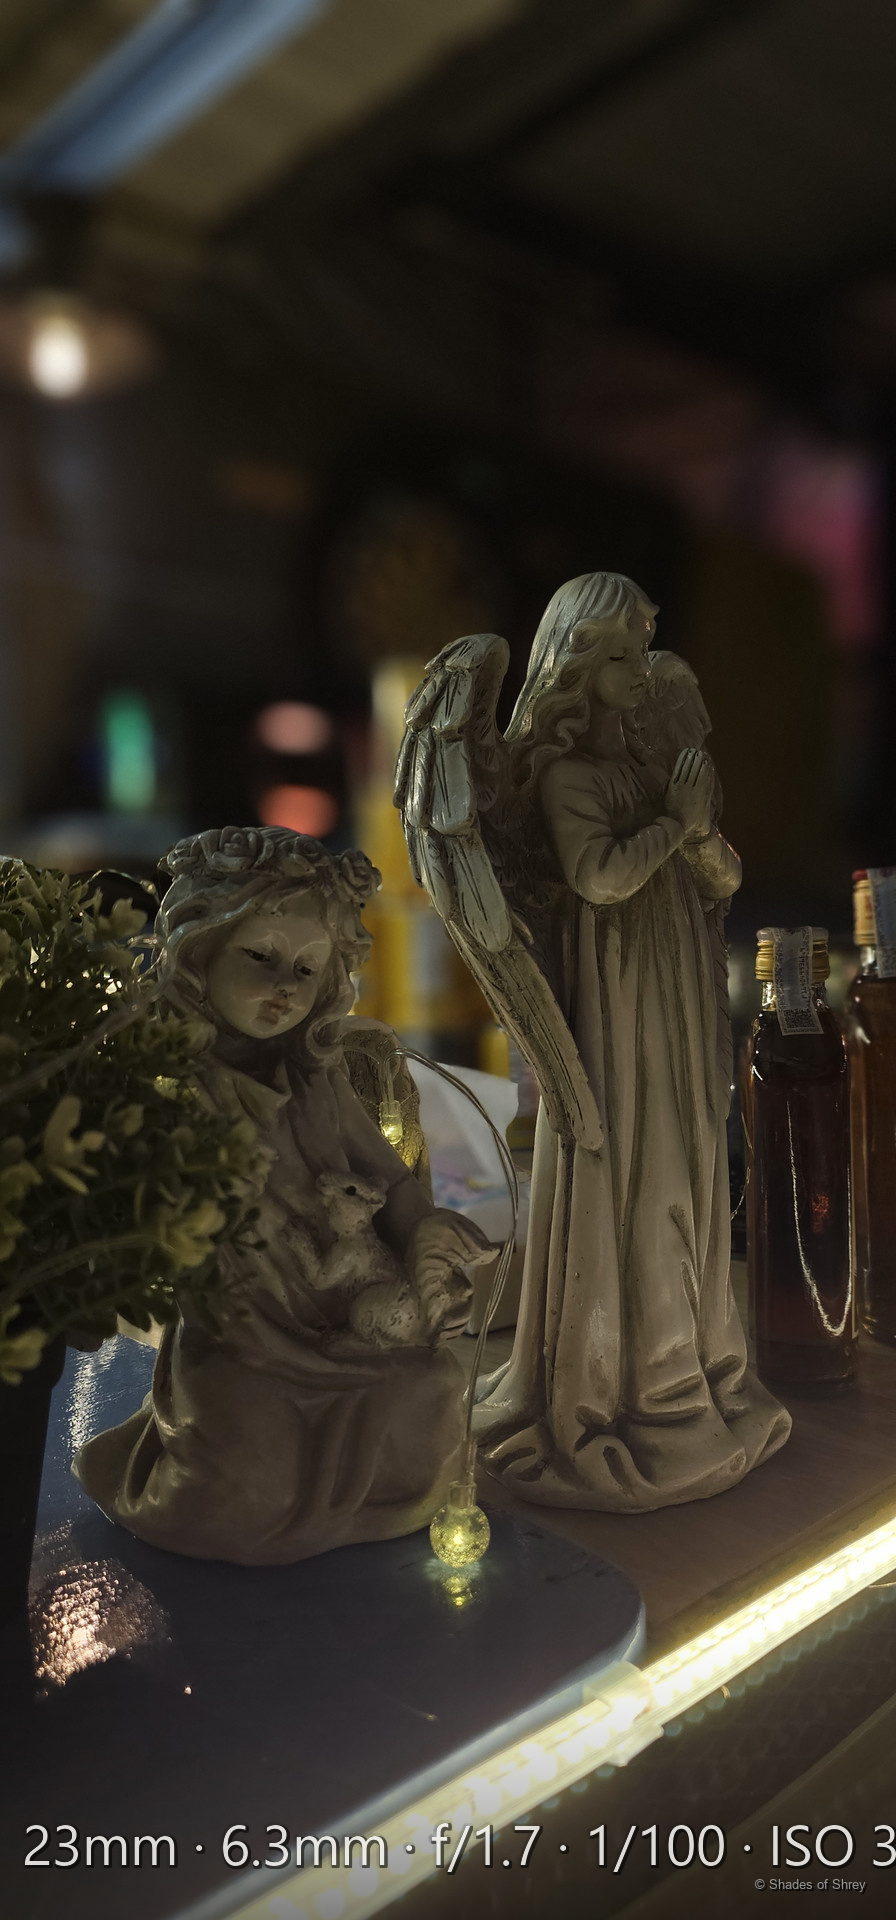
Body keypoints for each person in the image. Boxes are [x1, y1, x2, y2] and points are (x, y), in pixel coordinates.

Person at [74, 826, 488, 1564]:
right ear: (200, 953)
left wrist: (424, 1232)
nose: (284, 987)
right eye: (259, 957)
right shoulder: (170, 1078)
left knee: (430, 1398)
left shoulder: (316, 1075)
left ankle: (370, 1501)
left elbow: (389, 1177)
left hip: (342, 1320)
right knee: (240, 1482)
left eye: (306, 968)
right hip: (238, 1328)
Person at [469, 571, 791, 1509]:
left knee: (690, 1160)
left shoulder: (660, 767)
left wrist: (695, 834)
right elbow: (600, 878)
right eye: (613, 652)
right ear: (573, 664)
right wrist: (671, 829)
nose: (635, 667)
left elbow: (724, 876)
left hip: (681, 987)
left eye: (640, 646)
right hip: (617, 1000)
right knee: (637, 1163)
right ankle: (637, 1387)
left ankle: (699, 1358)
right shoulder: (568, 776)